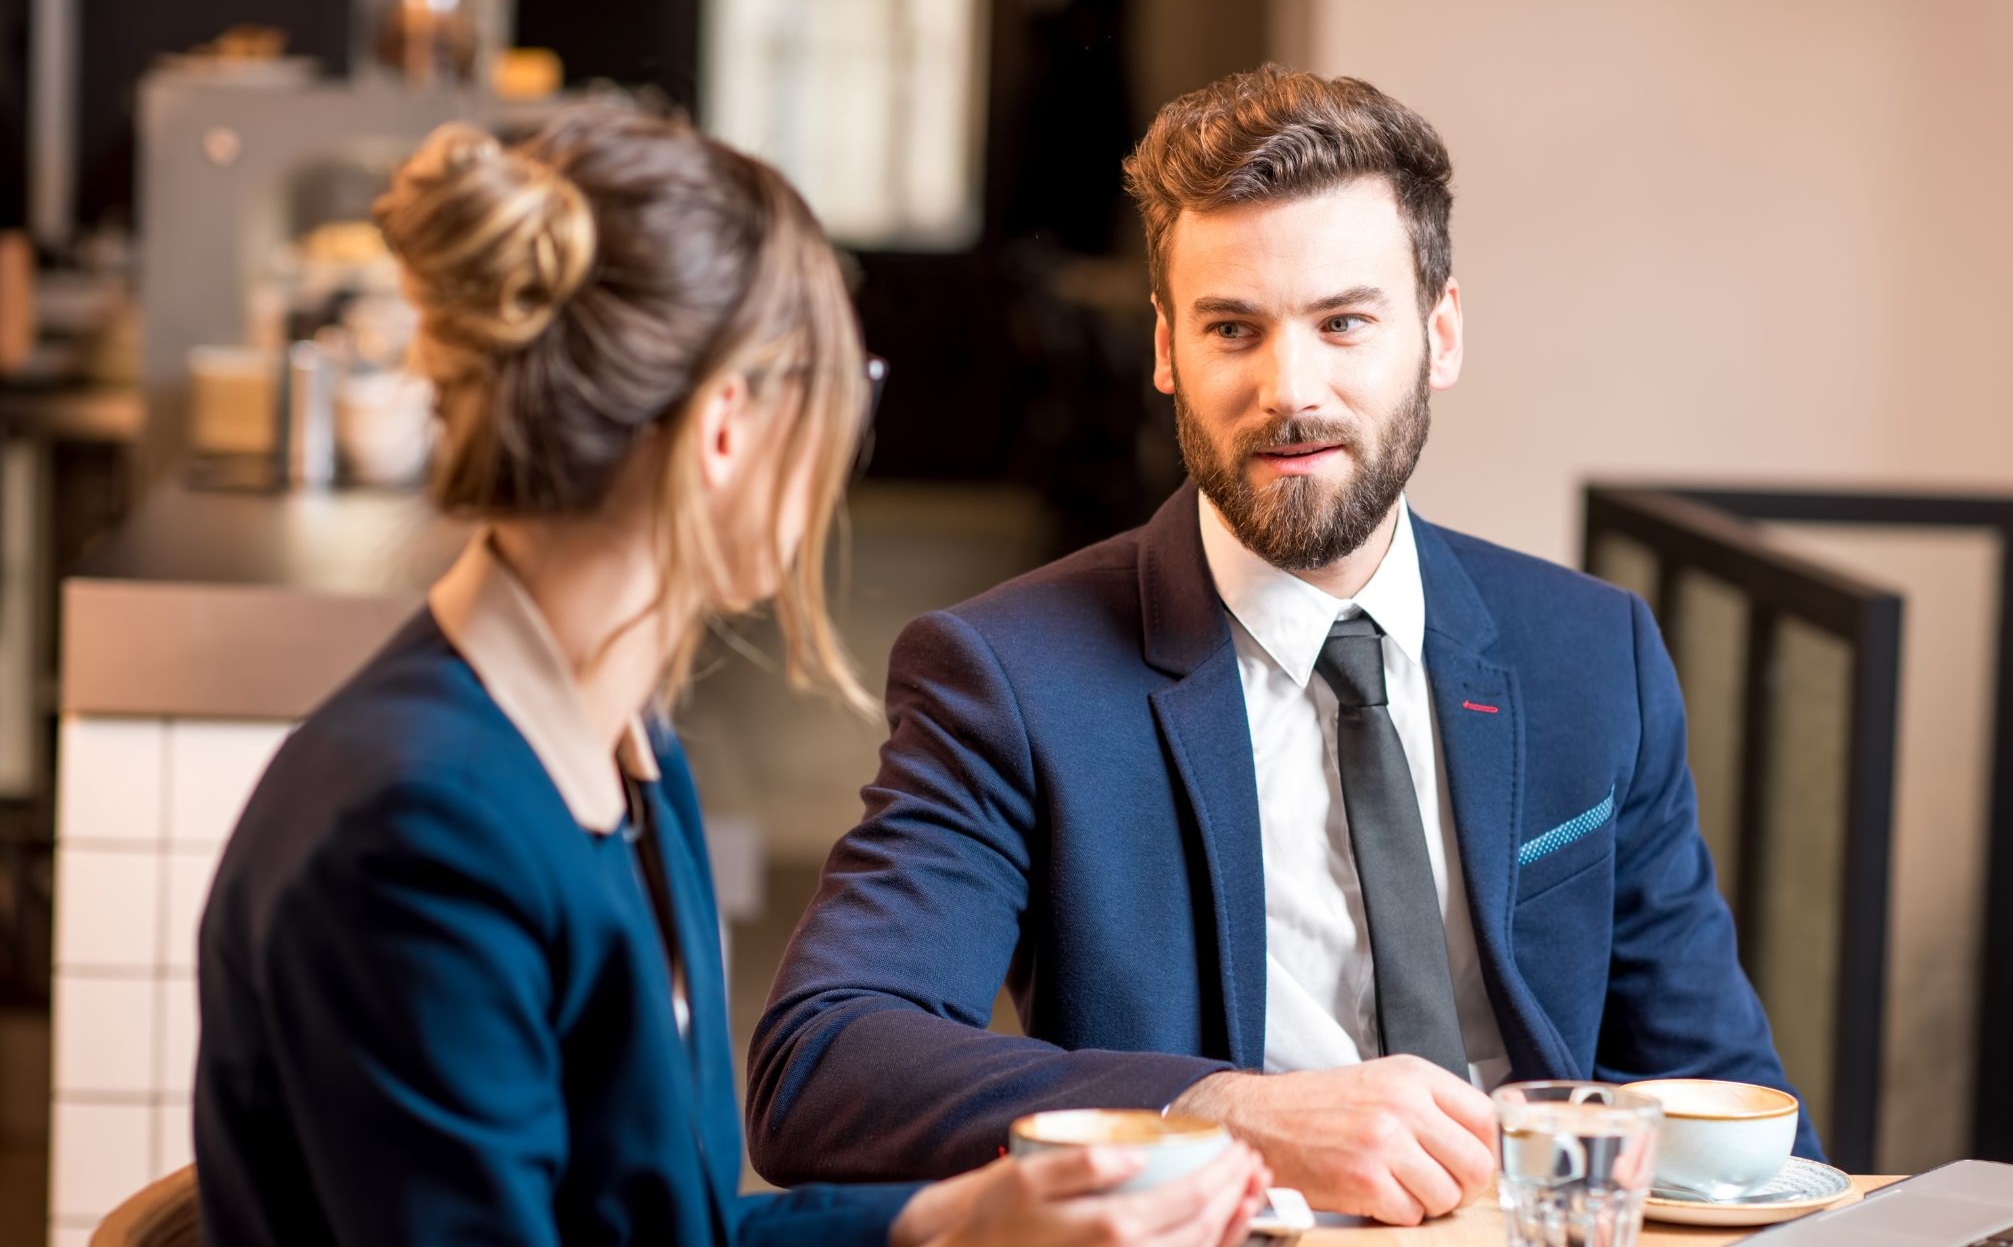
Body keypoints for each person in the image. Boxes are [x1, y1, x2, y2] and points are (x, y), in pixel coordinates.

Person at [747, 66, 1821, 1226]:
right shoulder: (1007, 676)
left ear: (1439, 333)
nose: (1287, 390)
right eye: (1231, 329)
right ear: (1166, 350)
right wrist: (1224, 1110)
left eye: (1343, 322)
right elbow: (824, 1062)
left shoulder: (1588, 651)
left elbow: (1726, 1091)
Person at [192, 103, 1268, 1247]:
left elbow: (662, 1225)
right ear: (723, 427)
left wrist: (954, 1220)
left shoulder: (620, 748)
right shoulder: (417, 833)